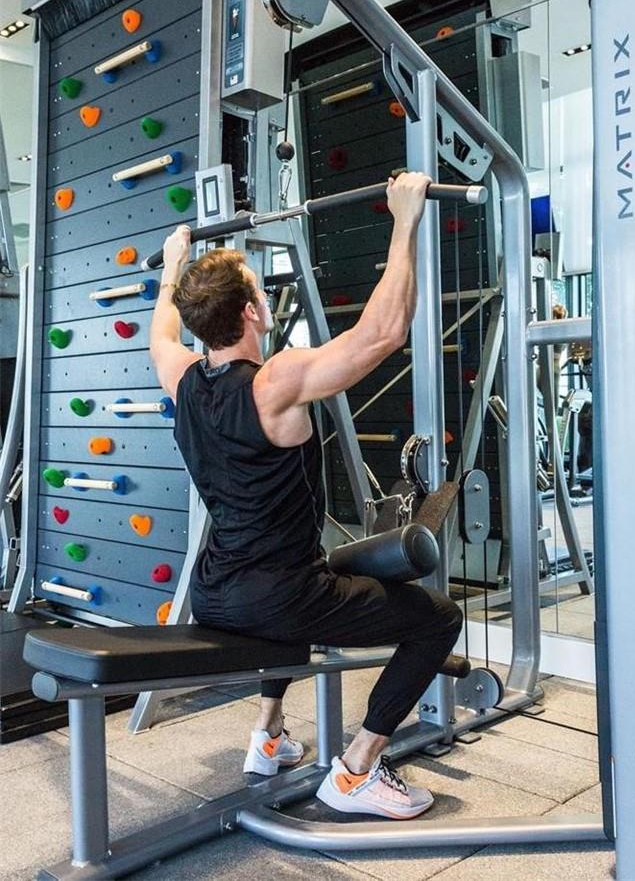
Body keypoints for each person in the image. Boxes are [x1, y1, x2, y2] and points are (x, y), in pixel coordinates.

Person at [149, 172, 463, 820]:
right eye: (259, 292)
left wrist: (173, 265)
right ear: (251, 312)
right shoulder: (275, 382)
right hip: (279, 598)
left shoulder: (181, 378)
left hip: (214, 589)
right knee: (437, 618)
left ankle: (268, 738)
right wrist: (405, 220)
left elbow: (161, 334)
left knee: (317, 577)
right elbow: (381, 335)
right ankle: (358, 770)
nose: (265, 300)